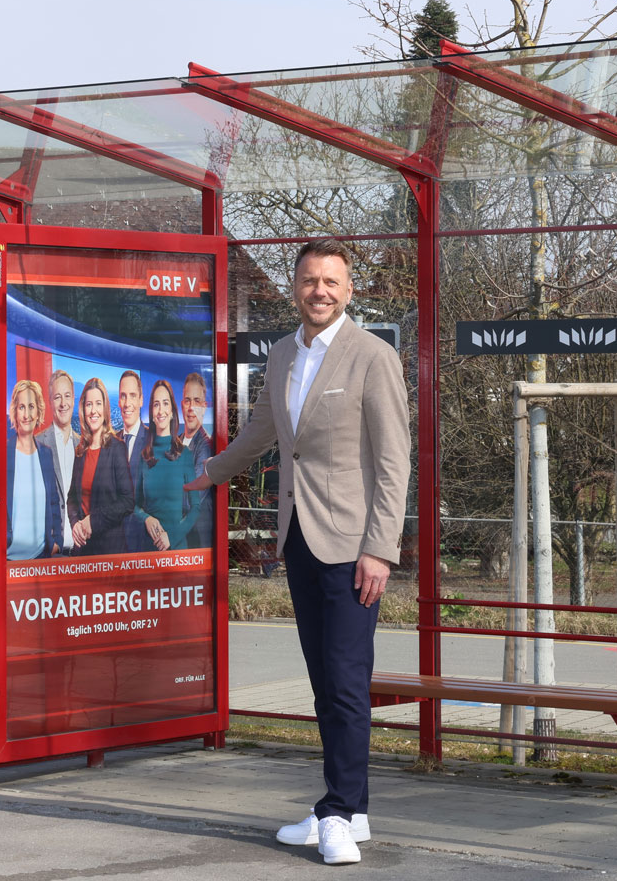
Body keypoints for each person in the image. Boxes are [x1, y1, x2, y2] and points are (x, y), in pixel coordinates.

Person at [186, 239, 409, 866]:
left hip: (352, 546)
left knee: (345, 684)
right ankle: (351, 809)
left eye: (331, 281)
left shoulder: (373, 357)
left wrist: (380, 550)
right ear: (295, 286)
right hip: (299, 540)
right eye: (310, 280)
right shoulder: (283, 354)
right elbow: (262, 431)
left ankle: (338, 810)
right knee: (325, 683)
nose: (320, 291)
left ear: (349, 288)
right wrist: (209, 471)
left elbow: (393, 463)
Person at [132, 380, 206, 551]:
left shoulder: (184, 454)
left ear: (172, 411)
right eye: (156, 404)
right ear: (151, 412)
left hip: (177, 549)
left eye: (165, 403)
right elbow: (134, 505)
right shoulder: (144, 456)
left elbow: (196, 507)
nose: (161, 410)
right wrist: (146, 518)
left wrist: (171, 537)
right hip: (148, 552)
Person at [66, 376, 134, 555]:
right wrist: (75, 525)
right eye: (89, 404)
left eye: (98, 403)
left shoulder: (117, 448)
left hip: (110, 551)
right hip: (83, 550)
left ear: (104, 408)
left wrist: (92, 521)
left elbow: (128, 501)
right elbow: (72, 497)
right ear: (83, 408)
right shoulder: (80, 450)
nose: (93, 410)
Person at [5, 379, 63, 560]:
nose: (26, 414)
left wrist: (57, 542)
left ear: (38, 411)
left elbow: (54, 501)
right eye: (21, 407)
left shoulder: (45, 453)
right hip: (6, 559)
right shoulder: (3, 453)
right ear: (14, 411)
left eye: (31, 406)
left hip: (40, 557)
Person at [37, 369, 77, 553]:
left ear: (74, 399)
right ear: (50, 402)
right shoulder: (37, 444)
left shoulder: (84, 445)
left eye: (67, 396)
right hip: (51, 555)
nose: (63, 403)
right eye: (57, 397)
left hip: (83, 554)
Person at [179, 371, 214, 549]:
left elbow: (194, 495)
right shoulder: (175, 441)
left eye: (197, 401)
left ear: (205, 406)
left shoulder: (206, 445)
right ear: (182, 405)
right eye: (187, 400)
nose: (191, 407)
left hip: (196, 538)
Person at [115, 369, 148, 549]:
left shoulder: (154, 441)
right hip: (112, 545)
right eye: (123, 396)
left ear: (141, 400)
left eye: (133, 396)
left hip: (142, 543)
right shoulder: (110, 443)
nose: (127, 403)